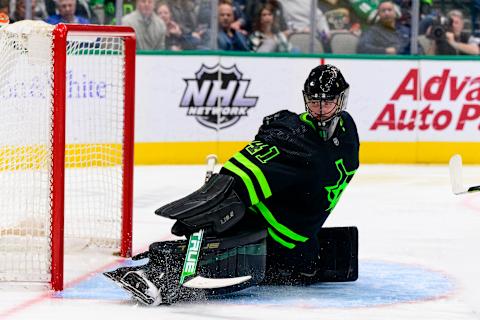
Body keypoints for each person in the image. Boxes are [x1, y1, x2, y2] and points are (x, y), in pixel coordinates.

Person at [104, 64, 360, 305]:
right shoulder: (300, 137)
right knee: (227, 239)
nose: (321, 109)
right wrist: (213, 200)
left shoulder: (344, 130)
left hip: (298, 245)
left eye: (328, 101)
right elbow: (244, 172)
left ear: (341, 100)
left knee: (286, 266)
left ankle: (165, 264)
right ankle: (160, 276)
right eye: (315, 101)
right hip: (271, 229)